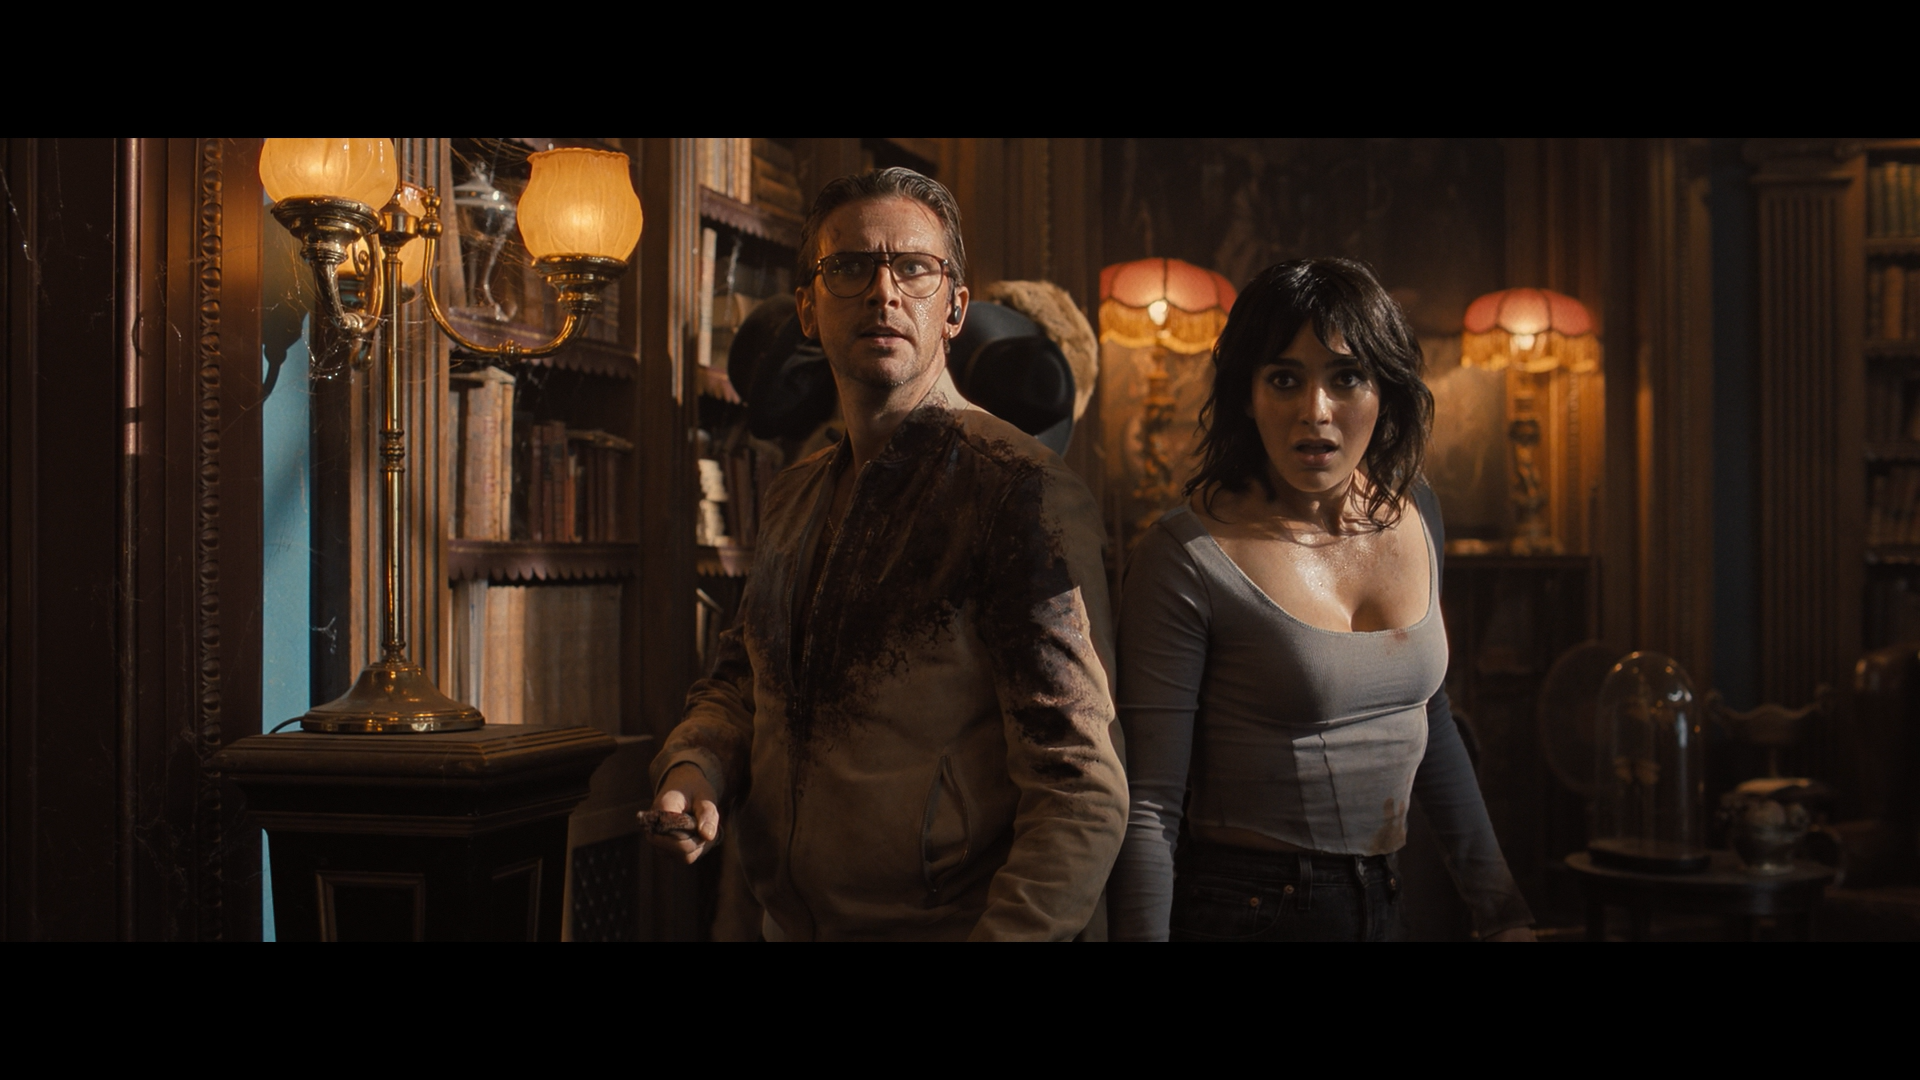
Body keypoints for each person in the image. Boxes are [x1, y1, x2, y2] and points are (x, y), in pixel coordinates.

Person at [645, 168, 1127, 941]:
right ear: (808, 308)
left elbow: (1078, 787)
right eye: (849, 266)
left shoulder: (1017, 491)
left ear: (954, 308)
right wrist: (692, 771)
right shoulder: (795, 494)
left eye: (913, 267)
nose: (883, 292)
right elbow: (740, 683)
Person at [1106, 258, 1535, 941]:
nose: (1316, 411)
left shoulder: (1417, 513)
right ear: (1247, 395)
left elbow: (1430, 717)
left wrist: (1502, 909)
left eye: (1346, 378)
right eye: (1284, 379)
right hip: (1248, 910)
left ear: (1385, 390)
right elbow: (1150, 808)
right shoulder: (1186, 555)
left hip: (1385, 898)